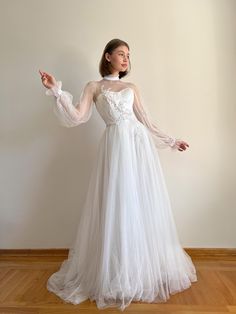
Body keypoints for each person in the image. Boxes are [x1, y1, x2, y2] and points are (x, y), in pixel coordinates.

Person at [39, 38, 197, 311]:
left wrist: (171, 141)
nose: (126, 59)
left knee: (139, 204)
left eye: (128, 55)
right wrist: (56, 91)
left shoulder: (131, 87)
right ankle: (116, 272)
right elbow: (77, 116)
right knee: (118, 204)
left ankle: (140, 270)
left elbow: (146, 120)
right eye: (121, 54)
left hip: (138, 148)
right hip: (115, 148)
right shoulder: (94, 87)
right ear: (108, 56)